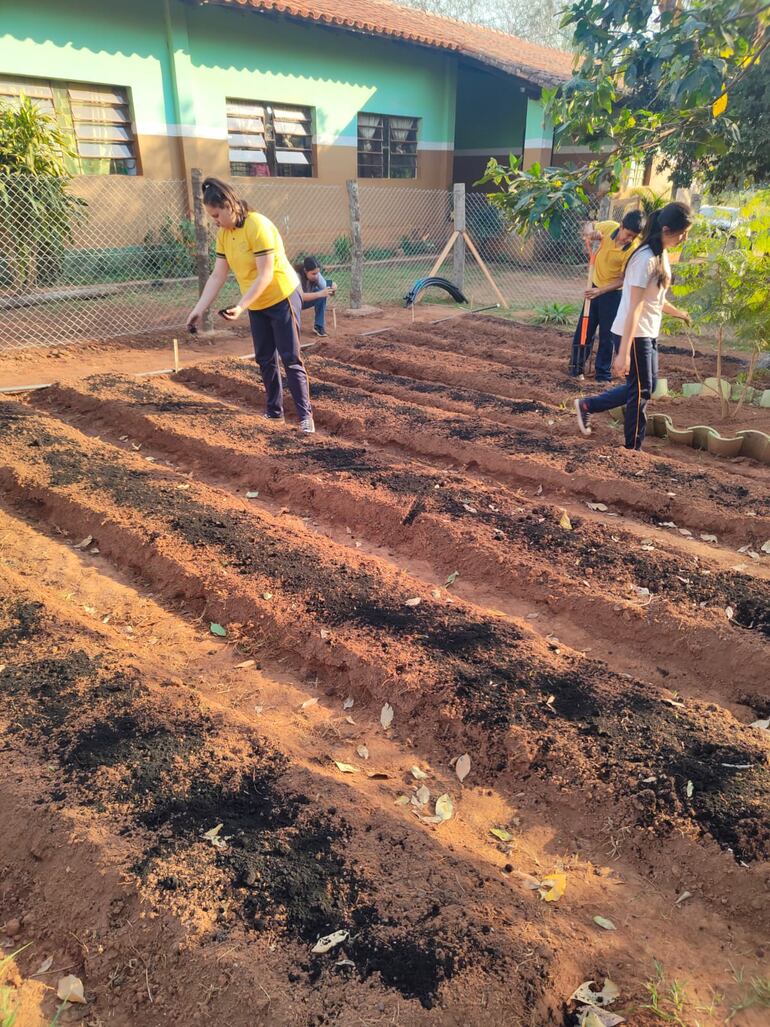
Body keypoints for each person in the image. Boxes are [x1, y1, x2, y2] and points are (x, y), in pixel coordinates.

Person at [186, 177, 315, 434]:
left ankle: (305, 417)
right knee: (265, 358)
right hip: (256, 302)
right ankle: (274, 412)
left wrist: (241, 306)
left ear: (229, 205)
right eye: (211, 217)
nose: (215, 221)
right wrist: (199, 309)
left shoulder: (258, 225)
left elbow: (265, 274)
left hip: (281, 296)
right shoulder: (224, 235)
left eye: (216, 215)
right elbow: (217, 275)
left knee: (290, 357)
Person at [574, 202, 693, 451]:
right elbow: (634, 307)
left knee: (642, 387)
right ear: (667, 229)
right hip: (634, 333)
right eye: (682, 233)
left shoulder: (661, 256)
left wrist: (679, 313)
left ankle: (587, 405)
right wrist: (623, 352)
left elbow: (655, 299)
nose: (684, 238)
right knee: (640, 392)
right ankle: (632, 450)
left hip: (647, 332)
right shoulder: (644, 259)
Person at [569, 210, 644, 382]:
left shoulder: (632, 249)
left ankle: (602, 375)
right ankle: (576, 368)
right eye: (628, 234)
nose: (629, 239)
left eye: (633, 237)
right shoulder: (610, 227)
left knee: (607, 334)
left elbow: (623, 280)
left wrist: (601, 291)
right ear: (622, 227)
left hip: (612, 294)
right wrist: (591, 232)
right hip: (593, 286)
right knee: (584, 328)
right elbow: (589, 226)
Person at [296, 256, 337, 338]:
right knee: (295, 330)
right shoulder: (296, 276)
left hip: (304, 300)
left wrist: (332, 288)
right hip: (292, 303)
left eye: (317, 273)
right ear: (305, 271)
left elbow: (326, 289)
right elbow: (301, 297)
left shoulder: (317, 275)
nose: (316, 276)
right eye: (313, 273)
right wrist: (321, 293)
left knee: (322, 294)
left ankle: (319, 326)